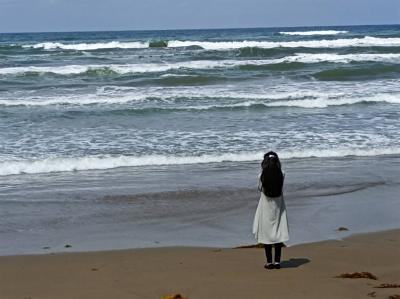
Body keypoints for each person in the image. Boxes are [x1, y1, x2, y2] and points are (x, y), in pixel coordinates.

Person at [252, 151, 289, 270]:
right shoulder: (282, 174)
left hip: (265, 208)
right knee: (278, 233)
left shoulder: (261, 176)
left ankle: (269, 262)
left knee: (266, 234)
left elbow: (260, 188)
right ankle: (277, 262)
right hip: (279, 207)